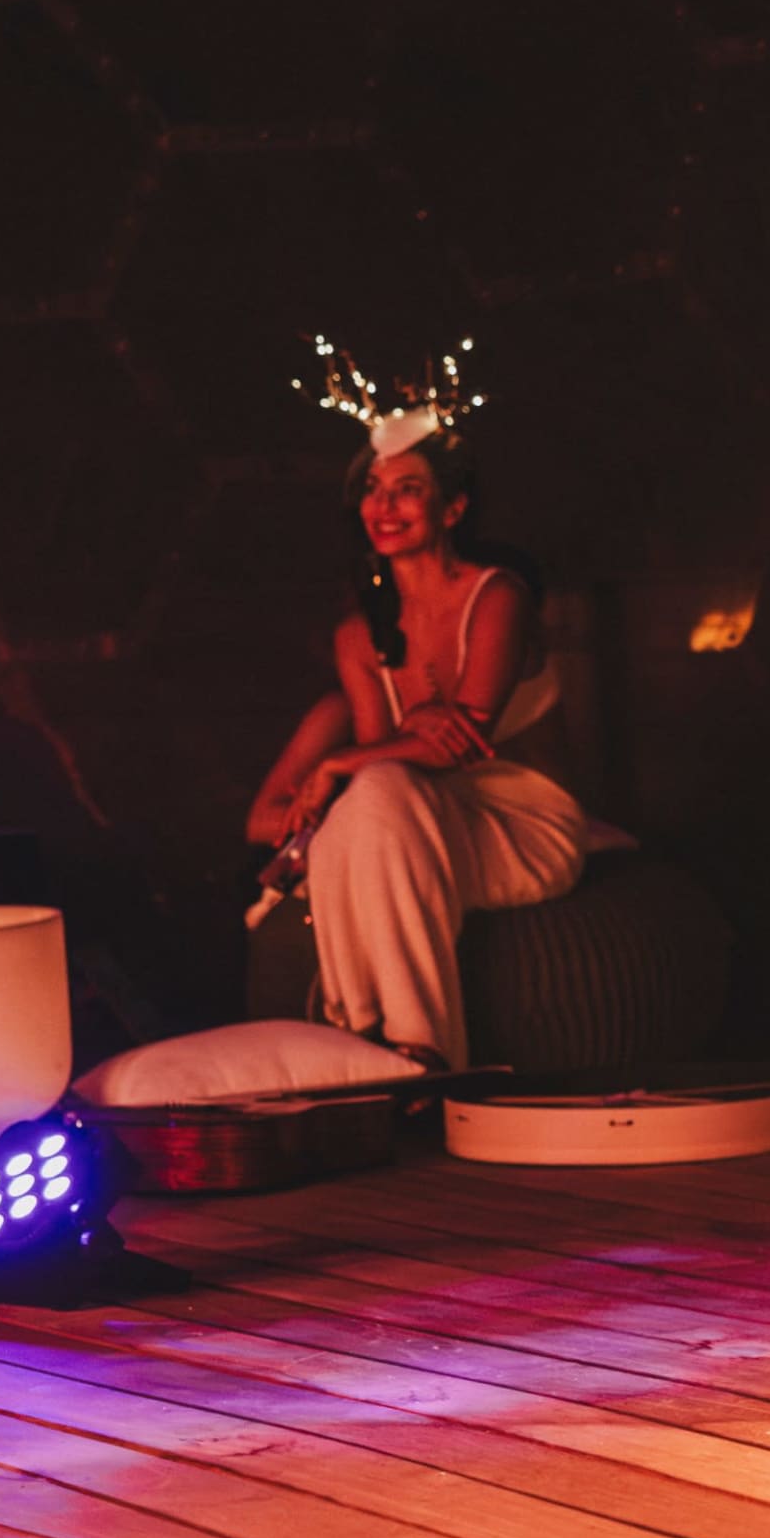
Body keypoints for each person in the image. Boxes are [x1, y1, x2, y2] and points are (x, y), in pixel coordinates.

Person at [245, 423, 588, 1070]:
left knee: (369, 788)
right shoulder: (360, 635)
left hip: (522, 825)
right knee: (369, 800)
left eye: (407, 490)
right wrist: (385, 751)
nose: (384, 507)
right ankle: (364, 1033)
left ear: (452, 507)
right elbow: (395, 762)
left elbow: (460, 743)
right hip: (422, 818)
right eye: (374, 491)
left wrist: (340, 762)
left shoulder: (497, 596)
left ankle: (419, 1048)